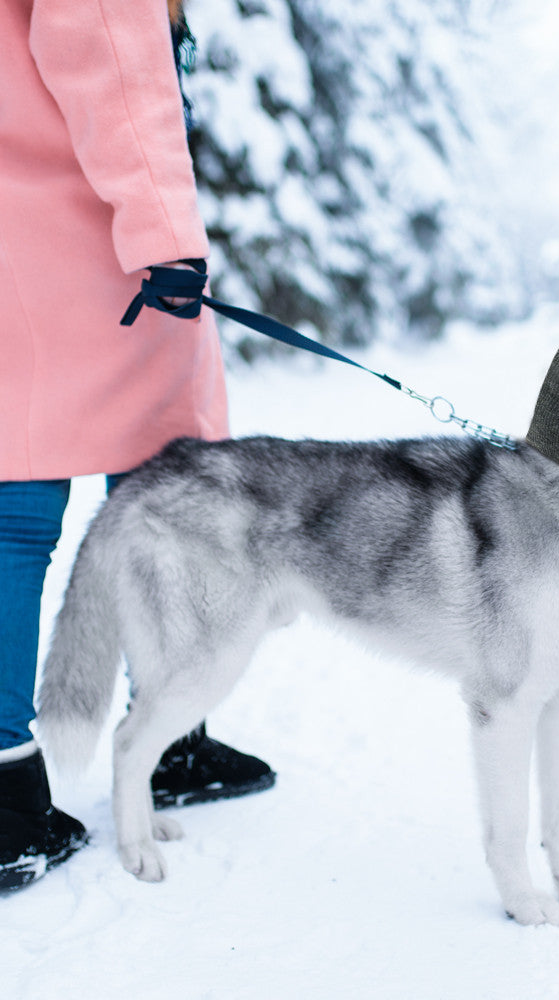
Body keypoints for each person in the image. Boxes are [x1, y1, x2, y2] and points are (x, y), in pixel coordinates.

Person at [0, 0, 275, 892]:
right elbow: (112, 56)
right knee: (168, 492)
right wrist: (165, 237)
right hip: (99, 248)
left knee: (12, 500)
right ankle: (170, 738)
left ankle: (6, 794)